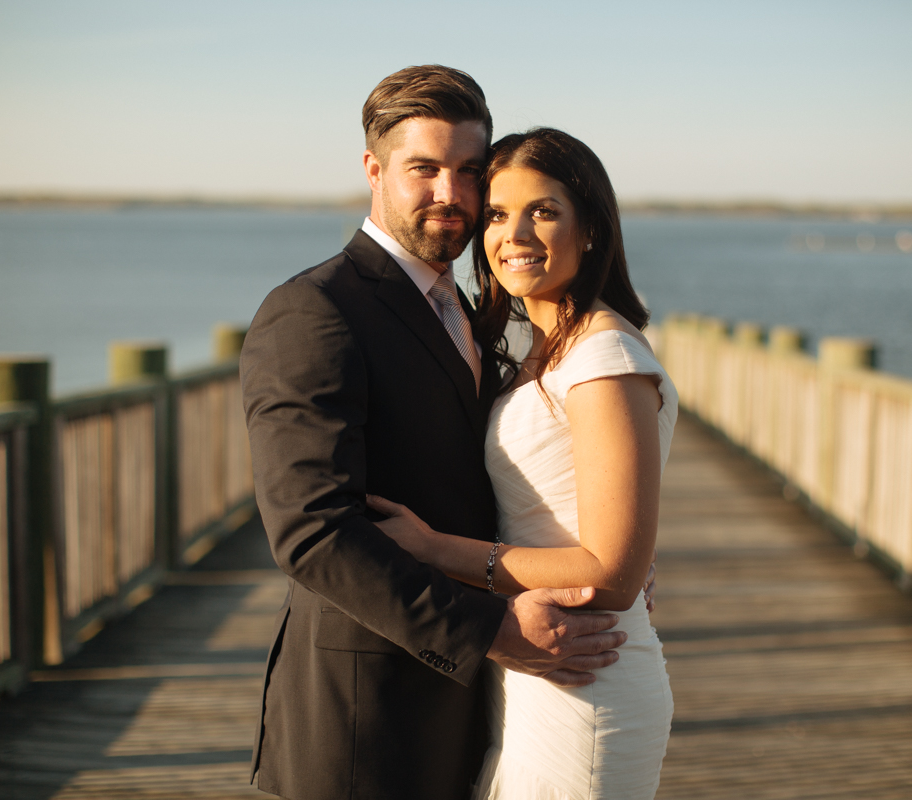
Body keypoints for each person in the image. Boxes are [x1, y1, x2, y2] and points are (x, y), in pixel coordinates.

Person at [239, 66, 631, 800]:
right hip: (368, 717)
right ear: (374, 169)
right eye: (424, 168)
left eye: (469, 171)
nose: (450, 194)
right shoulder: (314, 312)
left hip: (481, 709)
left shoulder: (477, 310)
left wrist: (612, 563)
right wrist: (489, 630)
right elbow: (311, 533)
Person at [367, 127, 677, 799]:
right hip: (541, 668)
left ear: (590, 227)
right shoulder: (545, 347)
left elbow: (613, 575)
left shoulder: (602, 358)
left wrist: (432, 548)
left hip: (589, 682)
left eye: (545, 210)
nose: (517, 234)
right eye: (500, 214)